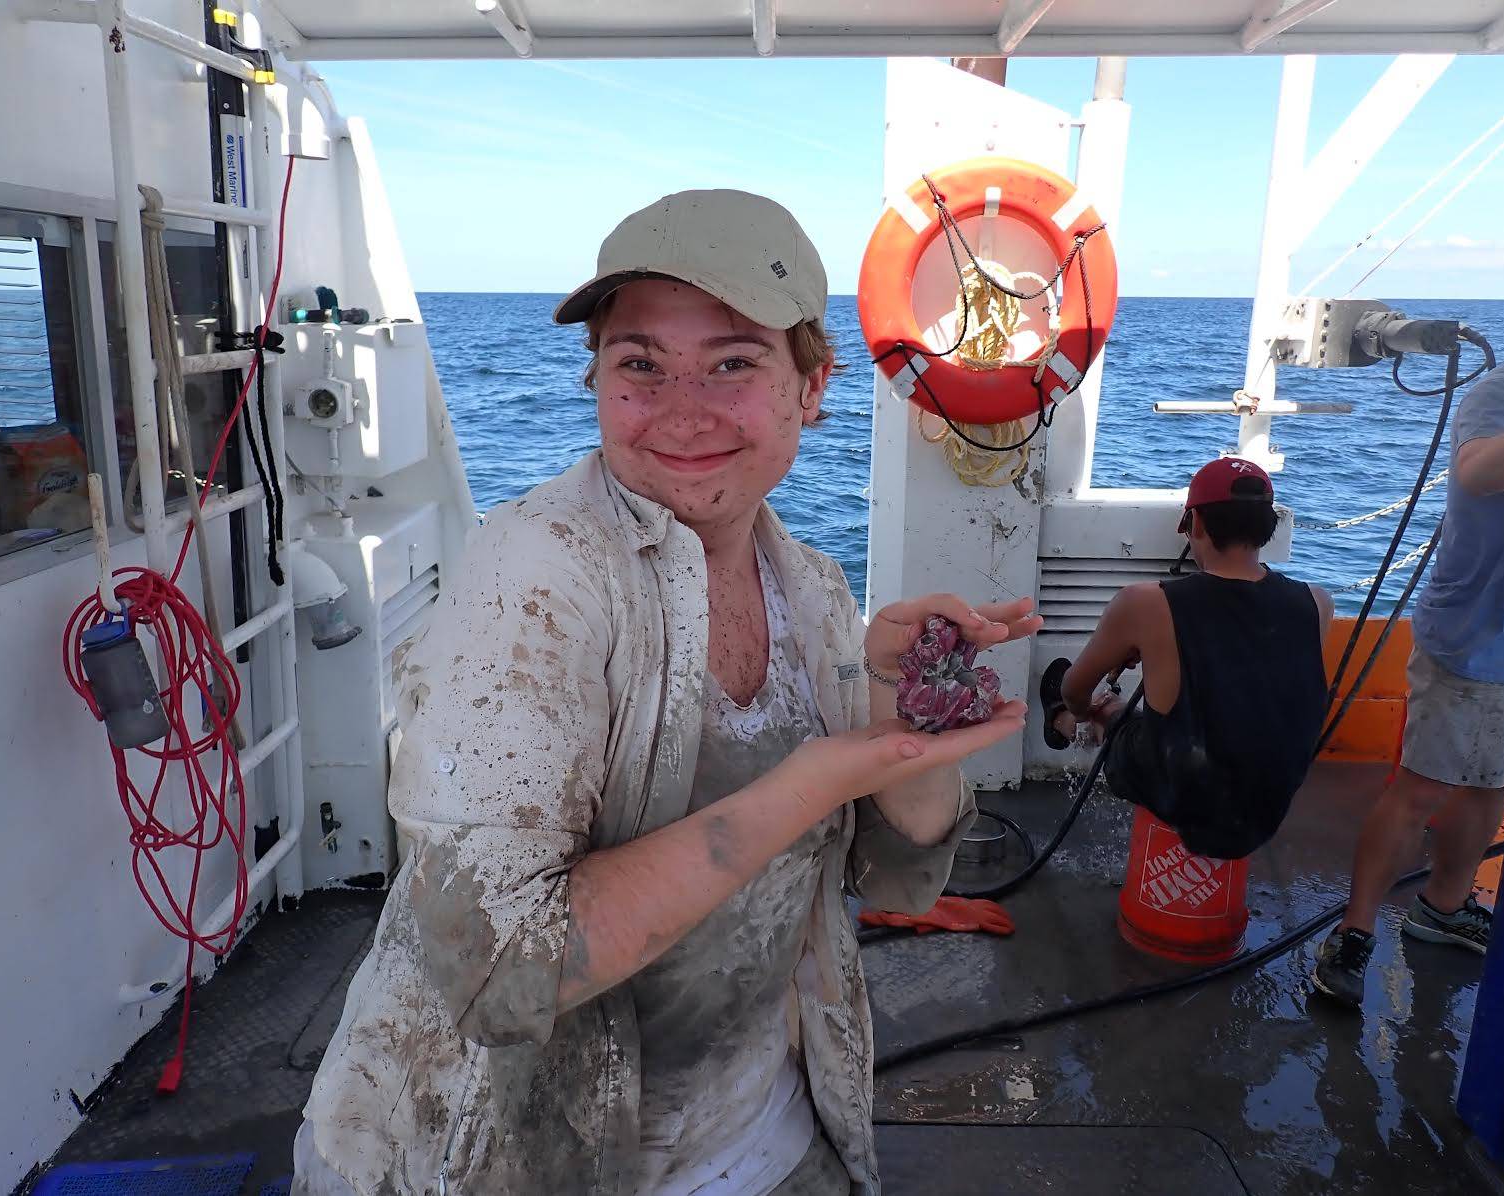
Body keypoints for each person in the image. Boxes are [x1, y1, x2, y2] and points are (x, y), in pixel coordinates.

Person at [290, 189, 1036, 1195]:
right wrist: (813, 779)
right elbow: (497, 970)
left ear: (810, 386)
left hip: (771, 1131)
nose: (683, 411)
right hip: (502, 1162)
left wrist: (894, 718)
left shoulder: (813, 588)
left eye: (732, 363)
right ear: (597, 378)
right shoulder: (534, 574)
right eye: (640, 363)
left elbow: (896, 875)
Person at [1313, 277, 1504, 1007]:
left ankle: (1444, 907)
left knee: (1493, 782)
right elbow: (1479, 471)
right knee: (1422, 788)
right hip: (1479, 635)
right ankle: (1355, 931)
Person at [1043, 458, 1333, 860]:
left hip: (1188, 801)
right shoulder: (1317, 602)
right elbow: (1255, 674)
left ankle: (1062, 725)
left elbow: (1075, 689)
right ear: (1268, 527)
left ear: (1195, 523)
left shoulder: (1145, 602)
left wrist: (1083, 709)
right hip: (1268, 807)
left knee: (1104, 708)